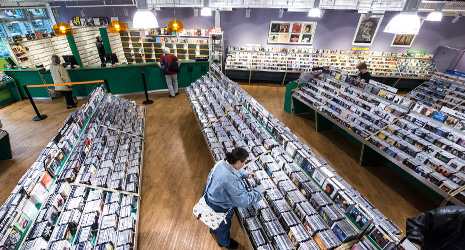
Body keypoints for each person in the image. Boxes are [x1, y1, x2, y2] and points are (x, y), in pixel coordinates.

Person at [203, 147, 265, 249]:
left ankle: (213, 230)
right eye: (245, 162)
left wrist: (244, 173)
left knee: (213, 218)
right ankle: (224, 243)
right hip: (220, 206)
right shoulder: (231, 179)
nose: (245, 165)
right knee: (223, 227)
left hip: (209, 197)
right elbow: (243, 200)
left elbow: (230, 172)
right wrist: (259, 191)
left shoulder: (222, 162)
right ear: (239, 161)